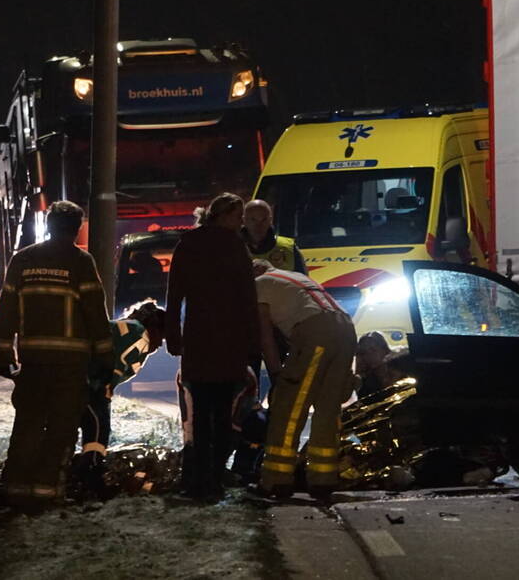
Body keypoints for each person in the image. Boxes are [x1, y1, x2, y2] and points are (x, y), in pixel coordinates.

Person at [0, 200, 112, 508]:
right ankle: (47, 494)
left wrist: (5, 353)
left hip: (32, 361)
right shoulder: (81, 262)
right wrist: (104, 359)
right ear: (76, 229)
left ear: (48, 225)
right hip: (70, 364)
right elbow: (95, 314)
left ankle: (16, 491)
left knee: (28, 425)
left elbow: (6, 309)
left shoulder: (23, 259)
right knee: (61, 427)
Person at [166, 192, 260, 502]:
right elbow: (248, 298)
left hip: (199, 341)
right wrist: (252, 342)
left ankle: (199, 481)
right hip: (228, 343)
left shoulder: (189, 245)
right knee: (222, 415)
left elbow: (174, 294)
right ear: (222, 215)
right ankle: (214, 480)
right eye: (237, 216)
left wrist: (173, 335)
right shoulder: (235, 247)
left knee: (200, 415)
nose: (241, 222)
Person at [253, 259, 357, 500]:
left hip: (315, 332)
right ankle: (323, 479)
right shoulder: (295, 278)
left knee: (290, 406)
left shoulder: (259, 284)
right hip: (346, 328)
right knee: (328, 408)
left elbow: (264, 335)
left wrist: (276, 373)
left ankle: (277, 480)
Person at [76, 300, 165, 491]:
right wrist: (106, 386)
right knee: (98, 427)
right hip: (88, 381)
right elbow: (119, 359)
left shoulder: (130, 327)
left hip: (83, 377)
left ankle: (81, 471)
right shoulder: (139, 335)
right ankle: (90, 475)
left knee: (88, 426)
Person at [241, 199, 307, 273]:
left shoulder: (289, 248)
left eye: (264, 219)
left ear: (270, 220)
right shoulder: (233, 249)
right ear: (244, 220)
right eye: (253, 219)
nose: (259, 225)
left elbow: (303, 282)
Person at [355, 331, 407, 398]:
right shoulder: (367, 380)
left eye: (373, 350)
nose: (369, 355)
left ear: (384, 349)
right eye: (365, 352)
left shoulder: (399, 367)